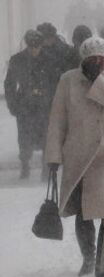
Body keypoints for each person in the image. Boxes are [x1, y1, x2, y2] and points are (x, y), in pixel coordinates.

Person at [44, 37, 104, 276]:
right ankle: (89, 258)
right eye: (91, 59)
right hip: (79, 154)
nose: (96, 62)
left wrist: (98, 80)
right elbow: (57, 120)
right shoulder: (68, 80)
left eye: (100, 59)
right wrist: (53, 155)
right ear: (83, 59)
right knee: (83, 211)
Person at [4, 31, 54, 180]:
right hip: (25, 105)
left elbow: (55, 83)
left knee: (46, 136)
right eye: (32, 46)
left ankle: (45, 169)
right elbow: (9, 85)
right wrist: (13, 105)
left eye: (37, 46)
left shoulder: (49, 60)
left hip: (44, 105)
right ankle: (25, 165)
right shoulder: (17, 60)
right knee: (24, 137)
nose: (34, 50)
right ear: (27, 45)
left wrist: (53, 102)